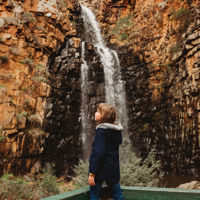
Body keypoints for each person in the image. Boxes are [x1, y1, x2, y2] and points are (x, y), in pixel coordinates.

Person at [88, 103, 124, 200]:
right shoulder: (116, 131)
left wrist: (92, 173)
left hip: (99, 170)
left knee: (94, 196)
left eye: (98, 111)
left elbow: (99, 153)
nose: (95, 113)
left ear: (103, 116)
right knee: (117, 195)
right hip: (113, 169)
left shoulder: (101, 131)